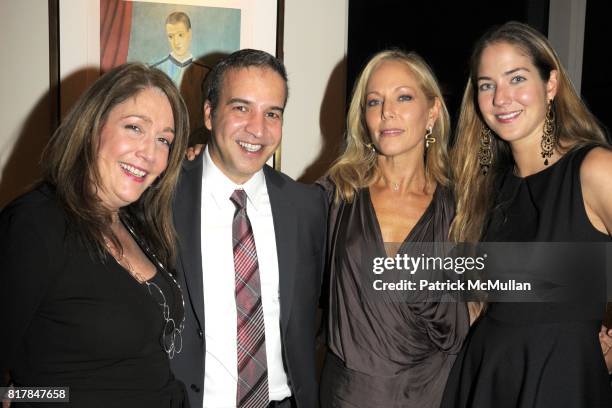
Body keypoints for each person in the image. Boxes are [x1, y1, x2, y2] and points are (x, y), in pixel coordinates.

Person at [441, 21, 612, 407]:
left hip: (562, 377)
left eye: (516, 78)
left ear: (550, 84)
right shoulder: (486, 187)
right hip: (488, 372)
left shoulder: (594, 169)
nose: (502, 98)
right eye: (487, 85)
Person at [0, 63, 190, 407]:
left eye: (163, 139)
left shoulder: (136, 222)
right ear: (92, 126)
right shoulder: (35, 223)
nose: (149, 152)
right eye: (134, 128)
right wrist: (38, 398)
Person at [170, 49, 327, 408]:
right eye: (241, 108)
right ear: (209, 114)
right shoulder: (162, 197)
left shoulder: (308, 207)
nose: (258, 129)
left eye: (272, 113)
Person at [318, 49, 469, 407]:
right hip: (348, 396)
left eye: (403, 96)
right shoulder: (336, 193)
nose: (387, 112)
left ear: (432, 111)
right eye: (374, 101)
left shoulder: (463, 206)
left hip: (436, 391)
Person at [151, 11, 210, 144]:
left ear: (189, 34)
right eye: (171, 36)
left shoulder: (206, 72)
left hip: (194, 144)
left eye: (180, 35)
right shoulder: (155, 71)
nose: (176, 42)